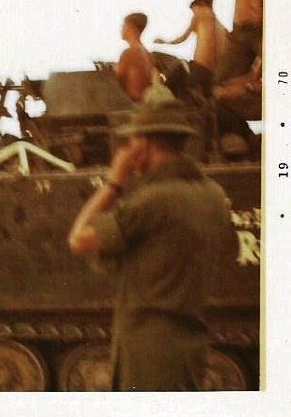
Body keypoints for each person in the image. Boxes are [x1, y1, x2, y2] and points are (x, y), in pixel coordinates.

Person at [67, 98, 231, 391]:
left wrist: (114, 183)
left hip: (148, 352)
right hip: (188, 345)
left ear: (144, 143)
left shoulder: (151, 201)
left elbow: (79, 238)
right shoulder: (213, 194)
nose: (126, 150)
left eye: (130, 142)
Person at [154, 0, 228, 97]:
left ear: (201, 4)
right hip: (213, 76)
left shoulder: (202, 12)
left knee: (155, 56)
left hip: (198, 69)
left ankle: (158, 92)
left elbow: (183, 38)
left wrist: (165, 42)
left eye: (193, 10)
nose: (193, 14)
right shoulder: (222, 27)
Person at [114, 13, 155, 102]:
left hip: (131, 104)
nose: (121, 29)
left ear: (130, 28)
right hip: (144, 103)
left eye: (123, 26)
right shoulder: (147, 53)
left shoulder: (129, 53)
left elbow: (116, 81)